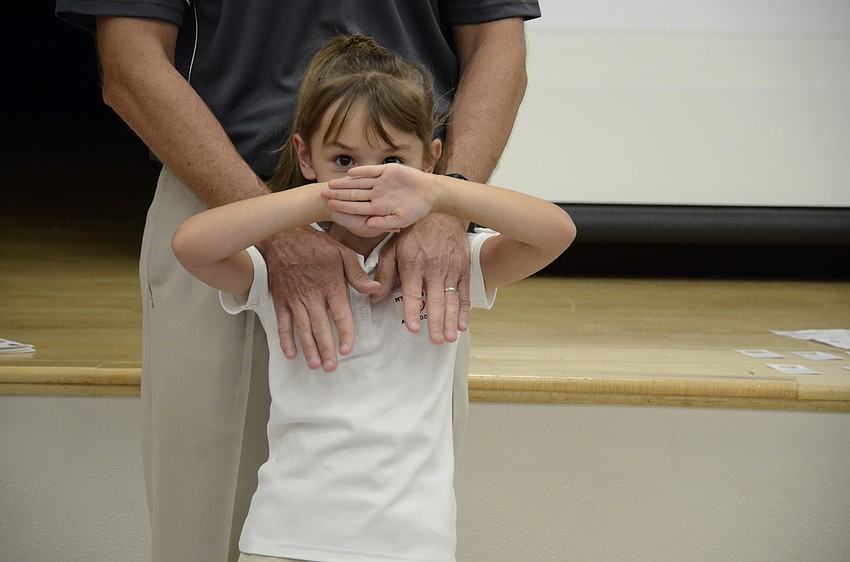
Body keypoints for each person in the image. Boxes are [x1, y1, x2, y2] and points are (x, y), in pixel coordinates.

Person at [55, 1, 541, 560]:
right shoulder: (245, 246)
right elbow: (130, 58)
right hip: (221, 201)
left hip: (421, 224)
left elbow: (495, 43)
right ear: (308, 158)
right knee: (199, 533)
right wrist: (280, 217)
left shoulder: (439, 204)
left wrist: (444, 205)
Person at [171, 34, 575, 562]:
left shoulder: (447, 265)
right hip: (284, 538)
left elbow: (556, 232)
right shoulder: (283, 270)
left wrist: (441, 195)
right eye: (343, 159)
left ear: (428, 160)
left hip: (412, 544)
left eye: (392, 161)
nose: (369, 180)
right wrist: (315, 200)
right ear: (305, 156)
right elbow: (191, 245)